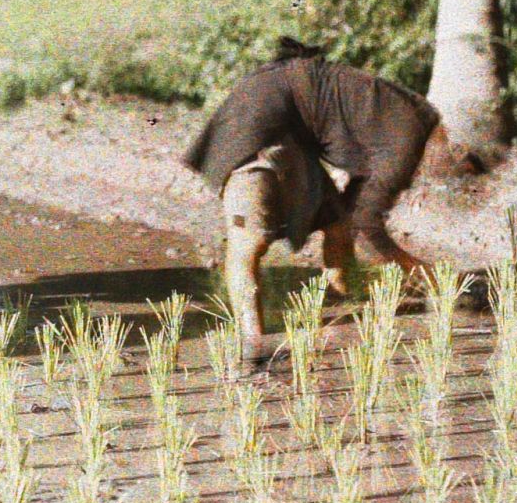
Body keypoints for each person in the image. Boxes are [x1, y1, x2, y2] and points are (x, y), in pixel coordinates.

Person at [183, 38, 447, 358]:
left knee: (326, 225)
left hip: (284, 150)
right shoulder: (325, 87)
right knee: (252, 243)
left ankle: (337, 301)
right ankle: (254, 341)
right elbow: (368, 219)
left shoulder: (293, 84)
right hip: (252, 152)